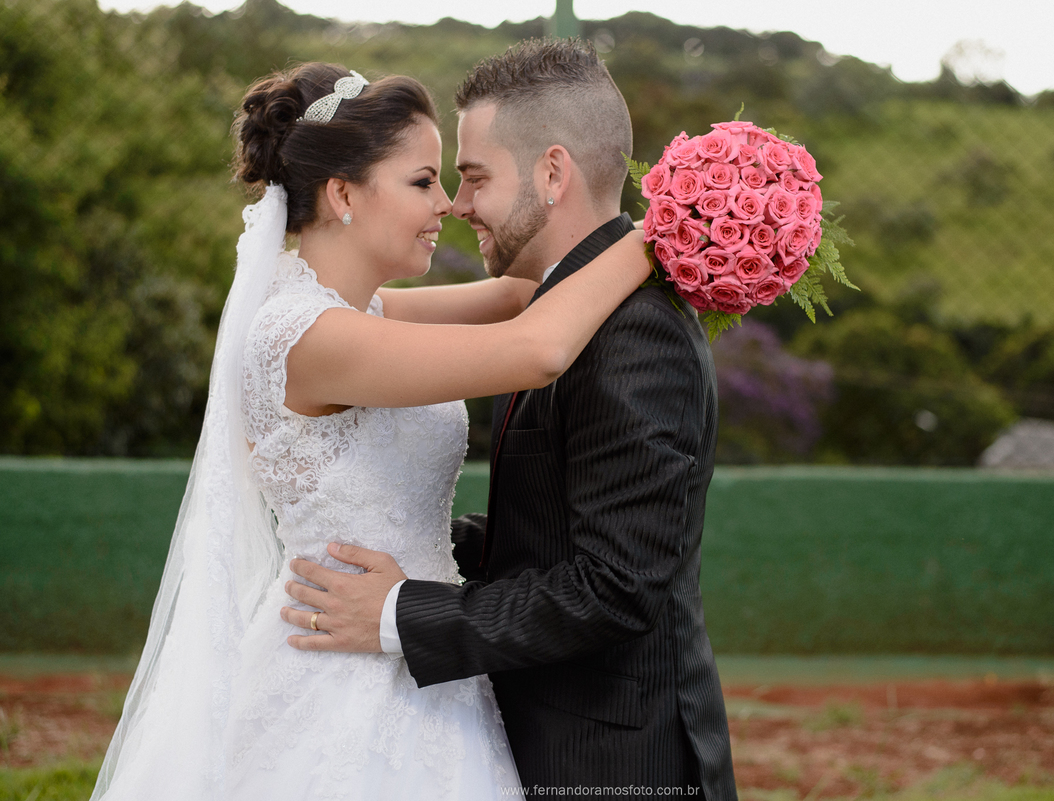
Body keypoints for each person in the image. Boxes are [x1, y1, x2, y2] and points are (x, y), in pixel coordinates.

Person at [91, 61, 650, 800]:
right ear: (343, 193)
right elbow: (537, 347)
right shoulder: (307, 337)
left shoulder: (364, 314)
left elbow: (523, 292)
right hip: (342, 674)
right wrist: (667, 233)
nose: (448, 204)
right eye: (423, 181)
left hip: (418, 652)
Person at [282, 40, 739, 800]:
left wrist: (403, 607)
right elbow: (554, 519)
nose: (456, 206)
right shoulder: (559, 306)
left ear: (552, 173)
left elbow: (618, 587)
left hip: (612, 766)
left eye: (471, 176)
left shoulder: (634, 333)